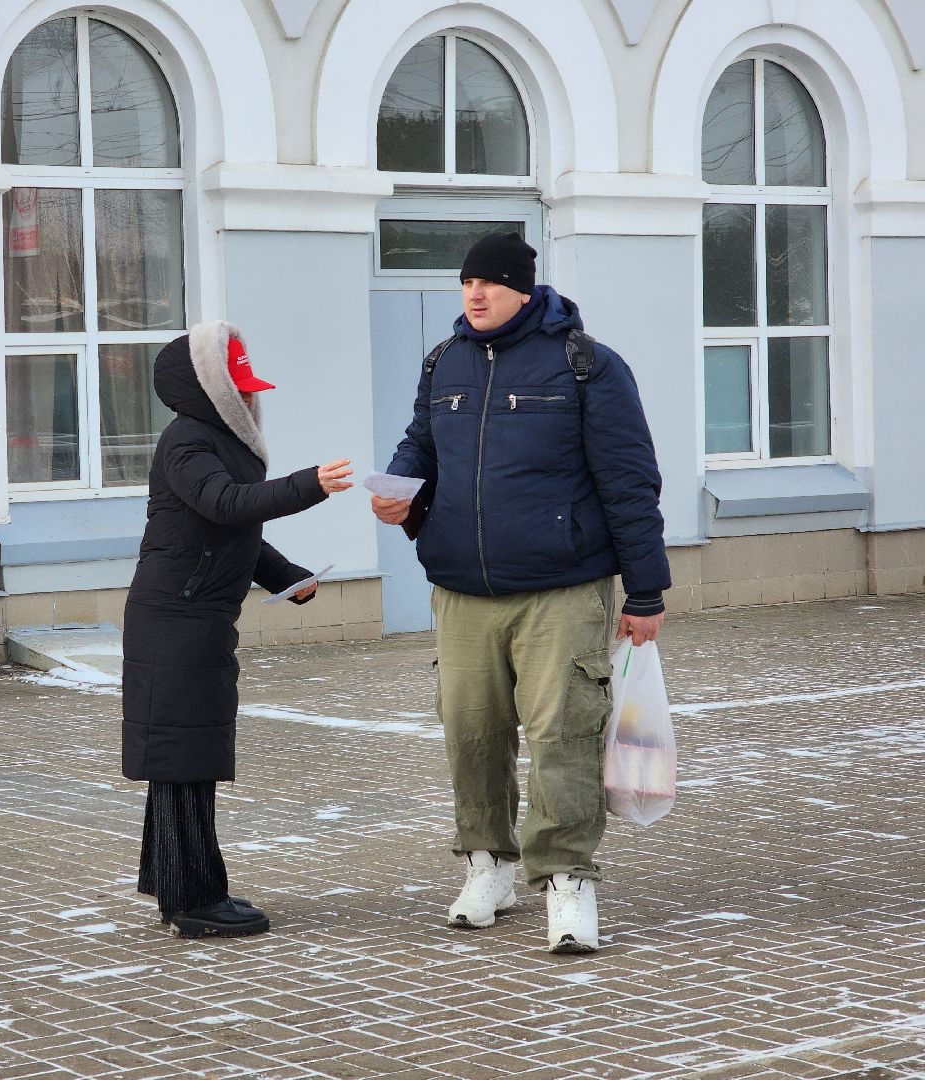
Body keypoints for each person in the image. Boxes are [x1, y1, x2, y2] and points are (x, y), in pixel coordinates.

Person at [371, 232, 669, 954]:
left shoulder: (586, 365)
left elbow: (630, 483)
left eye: (490, 283)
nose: (474, 294)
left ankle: (567, 879)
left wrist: (646, 593)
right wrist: (399, 489)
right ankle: (488, 865)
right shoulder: (444, 361)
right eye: (467, 282)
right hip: (462, 589)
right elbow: (422, 444)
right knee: (470, 732)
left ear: (524, 289)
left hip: (561, 589)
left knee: (563, 734)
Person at [123, 320, 352, 938]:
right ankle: (194, 901)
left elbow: (233, 534)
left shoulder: (217, 442)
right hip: (175, 619)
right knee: (183, 759)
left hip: (196, 615)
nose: (251, 400)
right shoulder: (187, 443)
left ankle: (174, 882)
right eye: (240, 389)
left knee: (186, 757)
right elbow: (227, 506)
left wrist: (289, 577)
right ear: (212, 391)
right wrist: (309, 485)